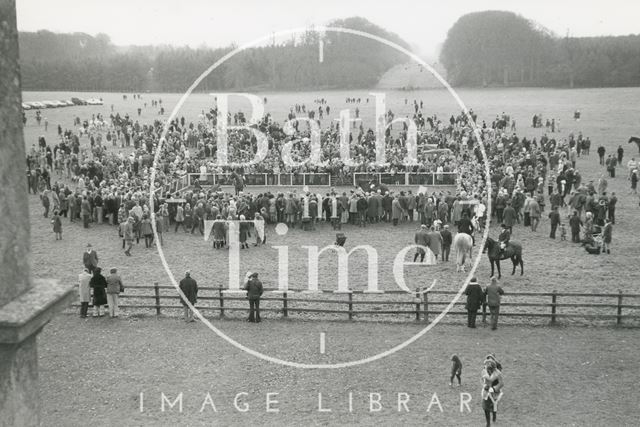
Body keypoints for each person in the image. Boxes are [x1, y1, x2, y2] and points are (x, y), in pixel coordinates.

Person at [481, 358, 504, 426]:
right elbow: (481, 380)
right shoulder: (484, 371)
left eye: (490, 369)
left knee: (494, 405)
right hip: (486, 392)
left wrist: (494, 389)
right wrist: (484, 385)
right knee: (485, 407)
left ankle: (494, 415)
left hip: (495, 393)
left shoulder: (498, 374)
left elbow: (501, 383)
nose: (488, 370)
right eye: (488, 369)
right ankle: (488, 423)